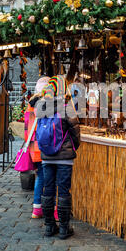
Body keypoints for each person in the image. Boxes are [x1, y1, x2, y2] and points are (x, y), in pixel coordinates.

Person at [37, 75, 80, 239]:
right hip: (64, 157)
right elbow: (75, 130)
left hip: (46, 157)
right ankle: (63, 228)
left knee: (47, 190)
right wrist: (73, 147)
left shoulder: (42, 106)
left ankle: (49, 227)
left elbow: (38, 131)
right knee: (63, 191)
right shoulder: (66, 106)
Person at [25, 76, 50, 219]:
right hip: (44, 146)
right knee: (46, 177)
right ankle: (45, 208)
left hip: (34, 146)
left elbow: (27, 126)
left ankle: (36, 208)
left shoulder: (30, 104)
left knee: (40, 176)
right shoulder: (45, 104)